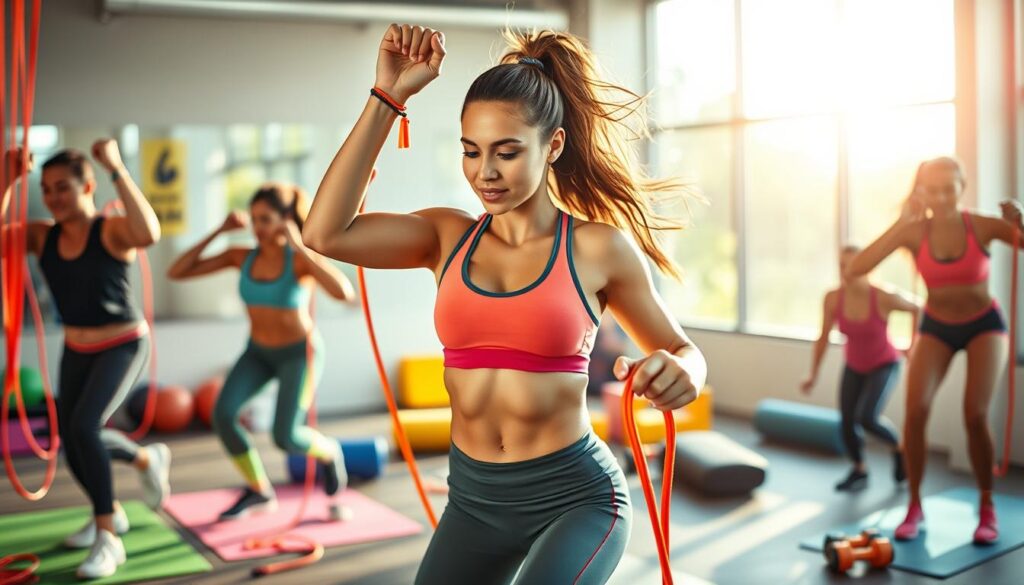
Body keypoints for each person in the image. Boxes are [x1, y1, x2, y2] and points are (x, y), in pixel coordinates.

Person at [301, 24, 707, 584]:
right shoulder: (447, 237)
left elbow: (683, 348)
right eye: (471, 151)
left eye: (507, 153)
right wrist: (388, 96)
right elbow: (324, 233)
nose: (484, 174)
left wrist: (683, 369)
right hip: (473, 502)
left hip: (578, 499)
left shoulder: (595, 247)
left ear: (553, 146)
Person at [2, 143, 170, 579]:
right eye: (47, 189)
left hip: (123, 343)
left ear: (88, 187)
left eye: (63, 188)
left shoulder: (111, 231)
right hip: (77, 349)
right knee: (72, 440)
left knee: (83, 428)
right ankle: (137, 474)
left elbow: (149, 233)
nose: (54, 197)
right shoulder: (43, 236)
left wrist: (116, 166)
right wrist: (8, 179)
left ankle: (107, 537)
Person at [848, 157, 1023, 544]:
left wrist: (1022, 219)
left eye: (949, 188)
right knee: (915, 411)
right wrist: (901, 223)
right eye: (933, 189)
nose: (942, 197)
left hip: (984, 325)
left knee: (975, 415)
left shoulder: (979, 224)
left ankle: (987, 505)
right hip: (937, 326)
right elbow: (855, 269)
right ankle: (913, 505)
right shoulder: (914, 232)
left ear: (962, 187)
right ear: (921, 192)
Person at [167, 183, 356, 521]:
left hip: (300, 354)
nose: (257, 228)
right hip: (257, 353)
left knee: (286, 437)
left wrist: (300, 246)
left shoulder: (298, 260)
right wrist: (219, 232)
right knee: (223, 415)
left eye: (266, 219)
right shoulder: (241, 257)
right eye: (254, 220)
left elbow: (344, 293)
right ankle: (259, 490)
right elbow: (177, 271)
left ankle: (330, 452)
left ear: (286, 219)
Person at [802, 245, 919, 491]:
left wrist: (912, 345)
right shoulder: (833, 298)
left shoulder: (883, 296)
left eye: (853, 265)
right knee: (846, 422)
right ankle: (860, 470)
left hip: (884, 364)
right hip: (854, 365)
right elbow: (823, 336)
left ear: (866, 266)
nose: (846, 271)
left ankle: (900, 450)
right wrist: (813, 374)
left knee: (866, 417)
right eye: (842, 265)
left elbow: (917, 308)